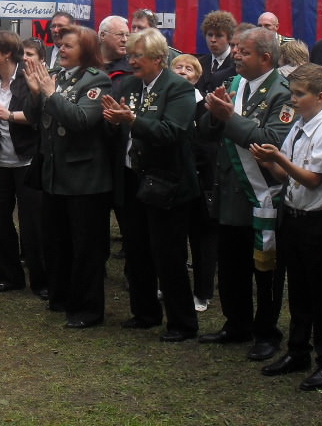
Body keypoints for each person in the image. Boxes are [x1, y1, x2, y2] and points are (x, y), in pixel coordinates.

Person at [198, 26, 290, 362]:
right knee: (231, 264)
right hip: (229, 192)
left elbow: (271, 140)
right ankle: (236, 323)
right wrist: (214, 114)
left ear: (265, 58)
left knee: (264, 269)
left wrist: (230, 118)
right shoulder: (234, 84)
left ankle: (266, 332)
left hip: (260, 195)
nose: (235, 55)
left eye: (244, 51)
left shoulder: (282, 92)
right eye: (236, 49)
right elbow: (208, 133)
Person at [251, 63, 322, 391]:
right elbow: (287, 176)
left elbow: (313, 179)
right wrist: (268, 161)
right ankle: (298, 350)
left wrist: (279, 159)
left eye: (299, 94)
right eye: (292, 93)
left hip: (317, 220)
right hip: (293, 215)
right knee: (298, 287)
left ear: (321, 96)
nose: (293, 100)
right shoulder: (298, 125)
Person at [103, 28, 200, 342]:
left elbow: (172, 132)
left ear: (159, 58)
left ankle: (182, 323)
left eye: (138, 56)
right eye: (130, 55)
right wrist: (113, 122)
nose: (131, 61)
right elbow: (120, 128)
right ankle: (145, 313)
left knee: (168, 255)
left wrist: (131, 121)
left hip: (166, 183)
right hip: (132, 179)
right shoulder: (130, 85)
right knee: (137, 249)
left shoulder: (178, 88)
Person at [24, 25, 112, 328]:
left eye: (68, 46)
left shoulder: (96, 80)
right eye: (60, 45)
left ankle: (88, 309)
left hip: (84, 179)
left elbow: (82, 119)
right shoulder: (56, 77)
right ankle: (60, 297)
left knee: (85, 248)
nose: (61, 49)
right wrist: (35, 93)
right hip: (55, 175)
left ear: (85, 51)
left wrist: (49, 93)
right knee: (56, 242)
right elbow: (34, 118)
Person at [0, 30, 45, 296]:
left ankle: (41, 281)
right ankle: (8, 277)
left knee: (33, 224)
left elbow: (38, 116)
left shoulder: (28, 79)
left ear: (6, 53)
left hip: (27, 160)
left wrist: (9, 115)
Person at [173, 54, 217, 313]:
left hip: (201, 182)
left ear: (198, 77)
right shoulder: (166, 102)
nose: (183, 71)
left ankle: (202, 291)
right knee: (175, 237)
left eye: (189, 68)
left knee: (203, 240)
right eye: (178, 67)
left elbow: (208, 147)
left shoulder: (205, 107)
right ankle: (173, 286)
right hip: (174, 182)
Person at [195, 11, 238, 95]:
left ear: (230, 38)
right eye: (210, 35)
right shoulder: (199, 63)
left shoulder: (237, 64)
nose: (213, 40)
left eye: (219, 35)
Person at [98, 15, 132, 94]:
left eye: (127, 35)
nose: (125, 40)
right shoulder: (85, 64)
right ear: (103, 35)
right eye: (120, 34)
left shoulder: (133, 69)